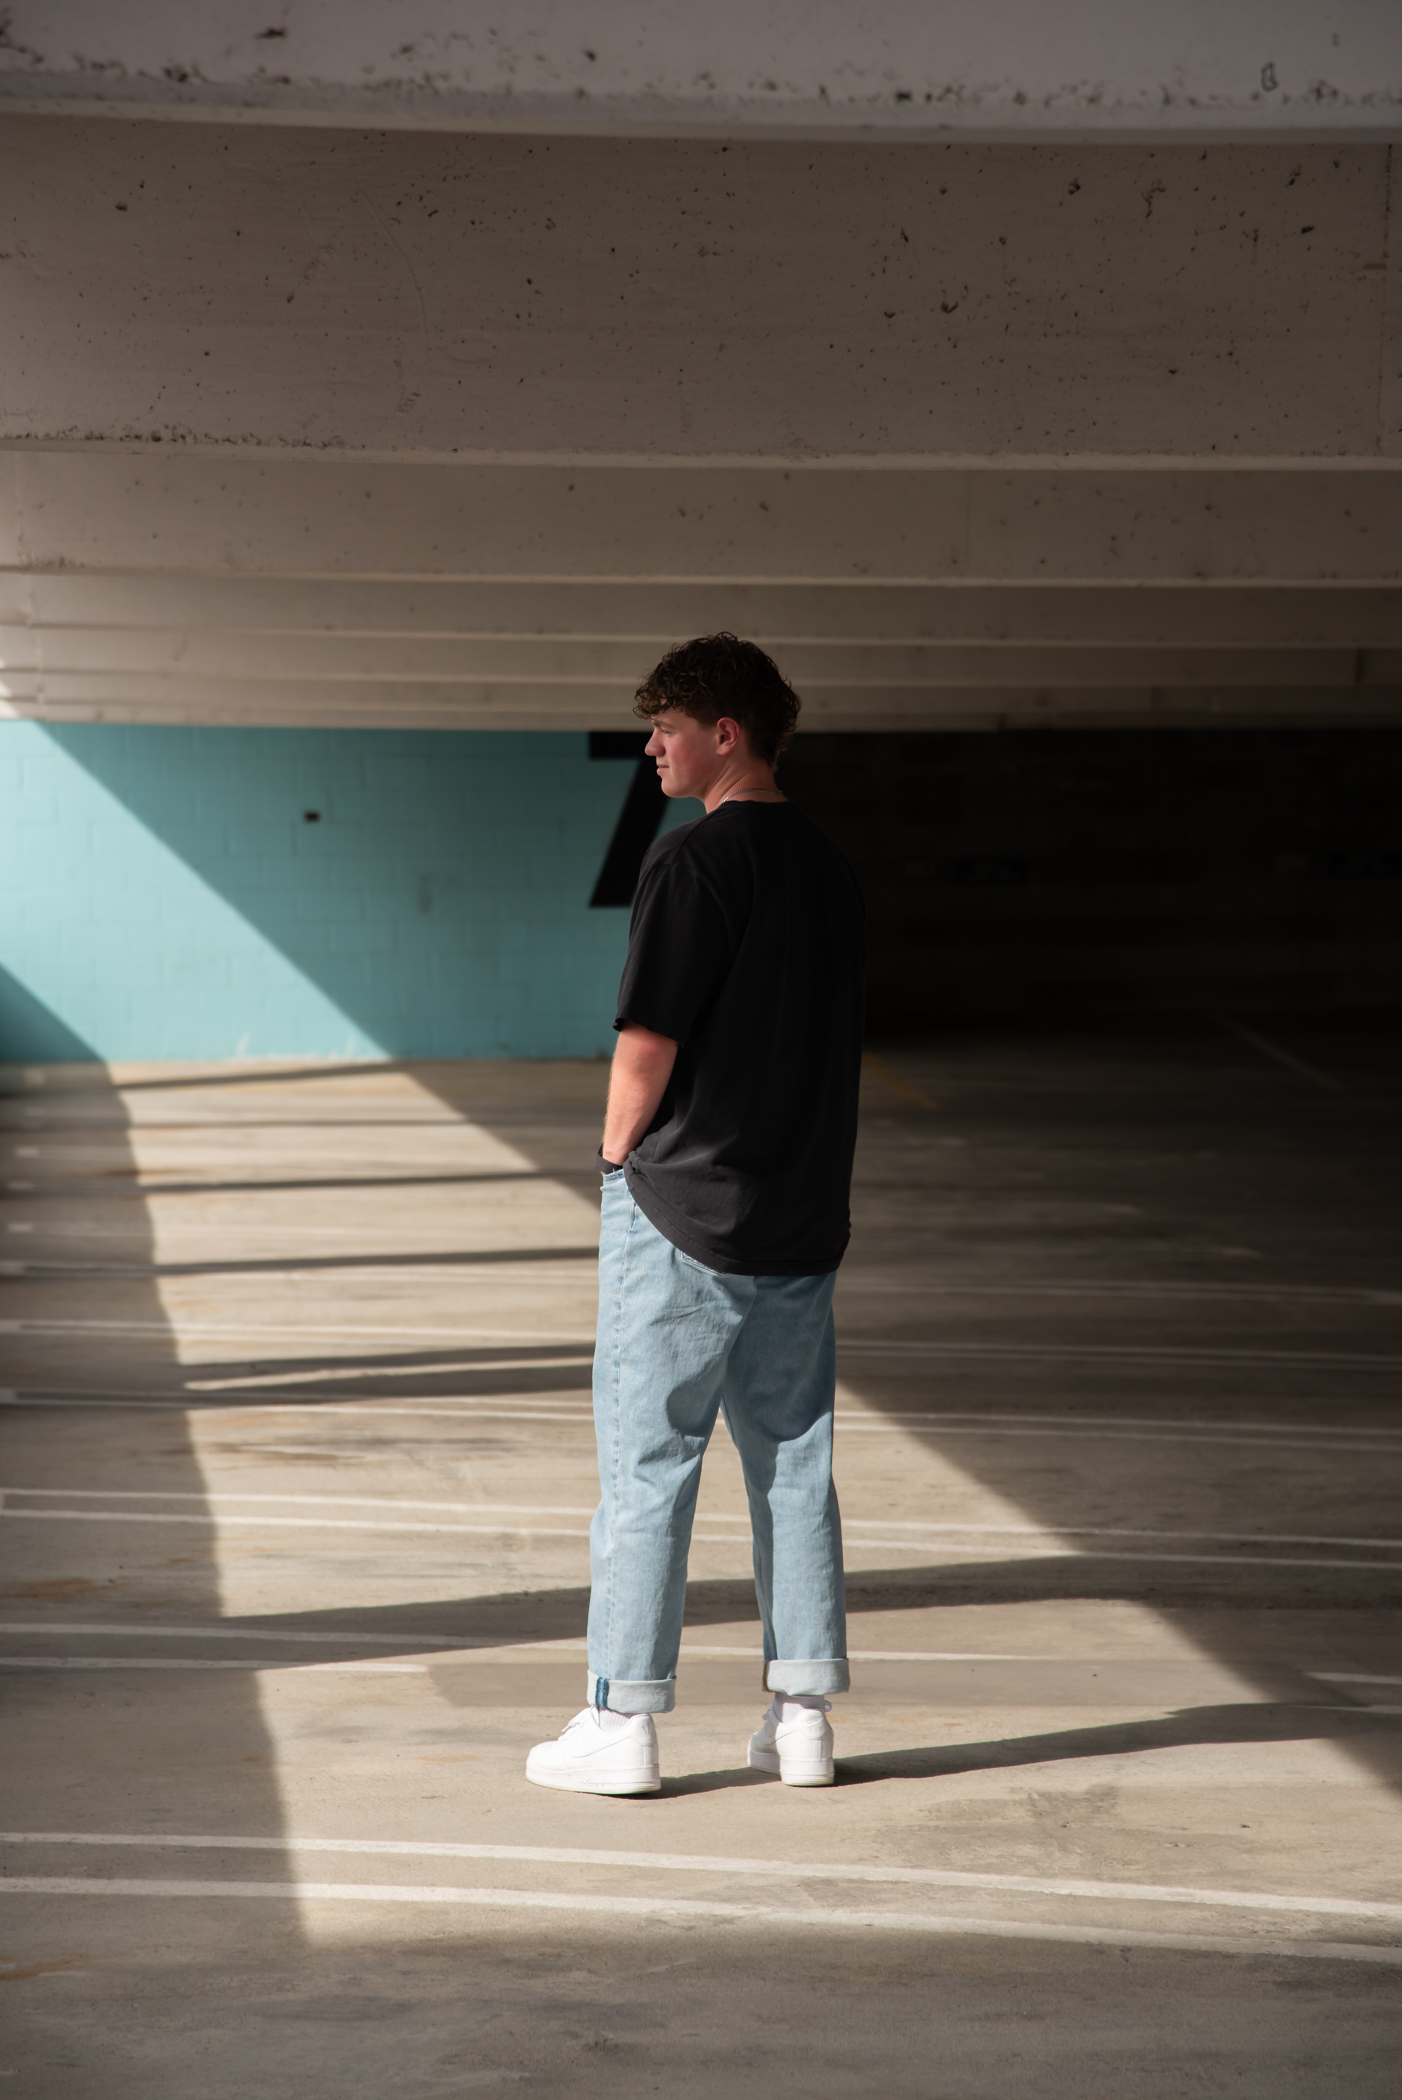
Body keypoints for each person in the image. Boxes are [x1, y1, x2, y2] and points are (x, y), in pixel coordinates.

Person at [526, 633, 865, 1796]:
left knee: (649, 1462)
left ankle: (620, 1723)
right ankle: (802, 1717)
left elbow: (648, 1043)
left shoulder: (690, 865)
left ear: (728, 732)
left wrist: (615, 1160)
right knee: (793, 1465)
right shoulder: (830, 868)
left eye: (666, 725)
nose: (650, 745)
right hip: (802, 1217)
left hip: (682, 1213)